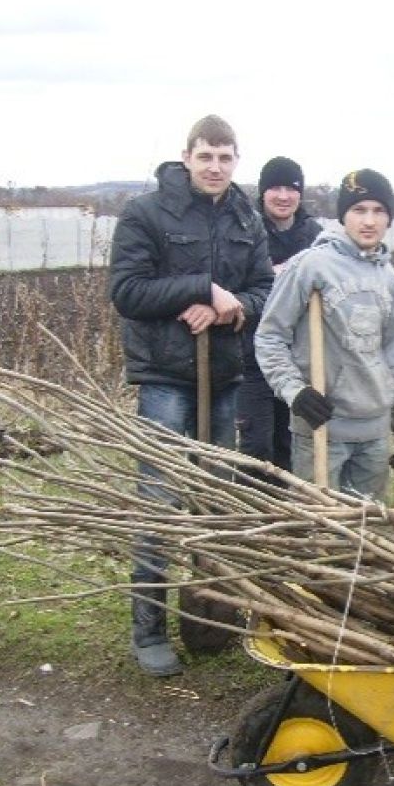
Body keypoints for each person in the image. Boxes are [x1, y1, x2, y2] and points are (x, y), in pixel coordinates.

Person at [109, 114, 273, 677]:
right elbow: (127, 291)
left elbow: (264, 289)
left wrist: (232, 307)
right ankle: (149, 631)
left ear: (236, 160)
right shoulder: (147, 212)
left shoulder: (246, 218)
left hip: (223, 377)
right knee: (160, 504)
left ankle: (209, 616)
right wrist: (202, 288)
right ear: (186, 157)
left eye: (225, 158)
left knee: (216, 503)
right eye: (206, 156)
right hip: (164, 377)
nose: (215, 167)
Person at [255, 169, 394, 498]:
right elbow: (269, 337)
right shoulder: (311, 266)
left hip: (374, 429)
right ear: (343, 216)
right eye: (359, 210)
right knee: (319, 524)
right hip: (321, 426)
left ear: (389, 218)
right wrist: (295, 391)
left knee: (366, 524)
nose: (369, 221)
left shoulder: (388, 277)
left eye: (378, 211)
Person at [235, 156, 324, 476]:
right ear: (263, 192)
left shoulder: (316, 237)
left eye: (291, 188)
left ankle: (285, 506)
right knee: (256, 446)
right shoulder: (245, 230)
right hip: (251, 358)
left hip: (298, 358)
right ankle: (250, 502)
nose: (284, 196)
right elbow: (235, 284)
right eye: (275, 188)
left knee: (290, 443)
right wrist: (273, 275)